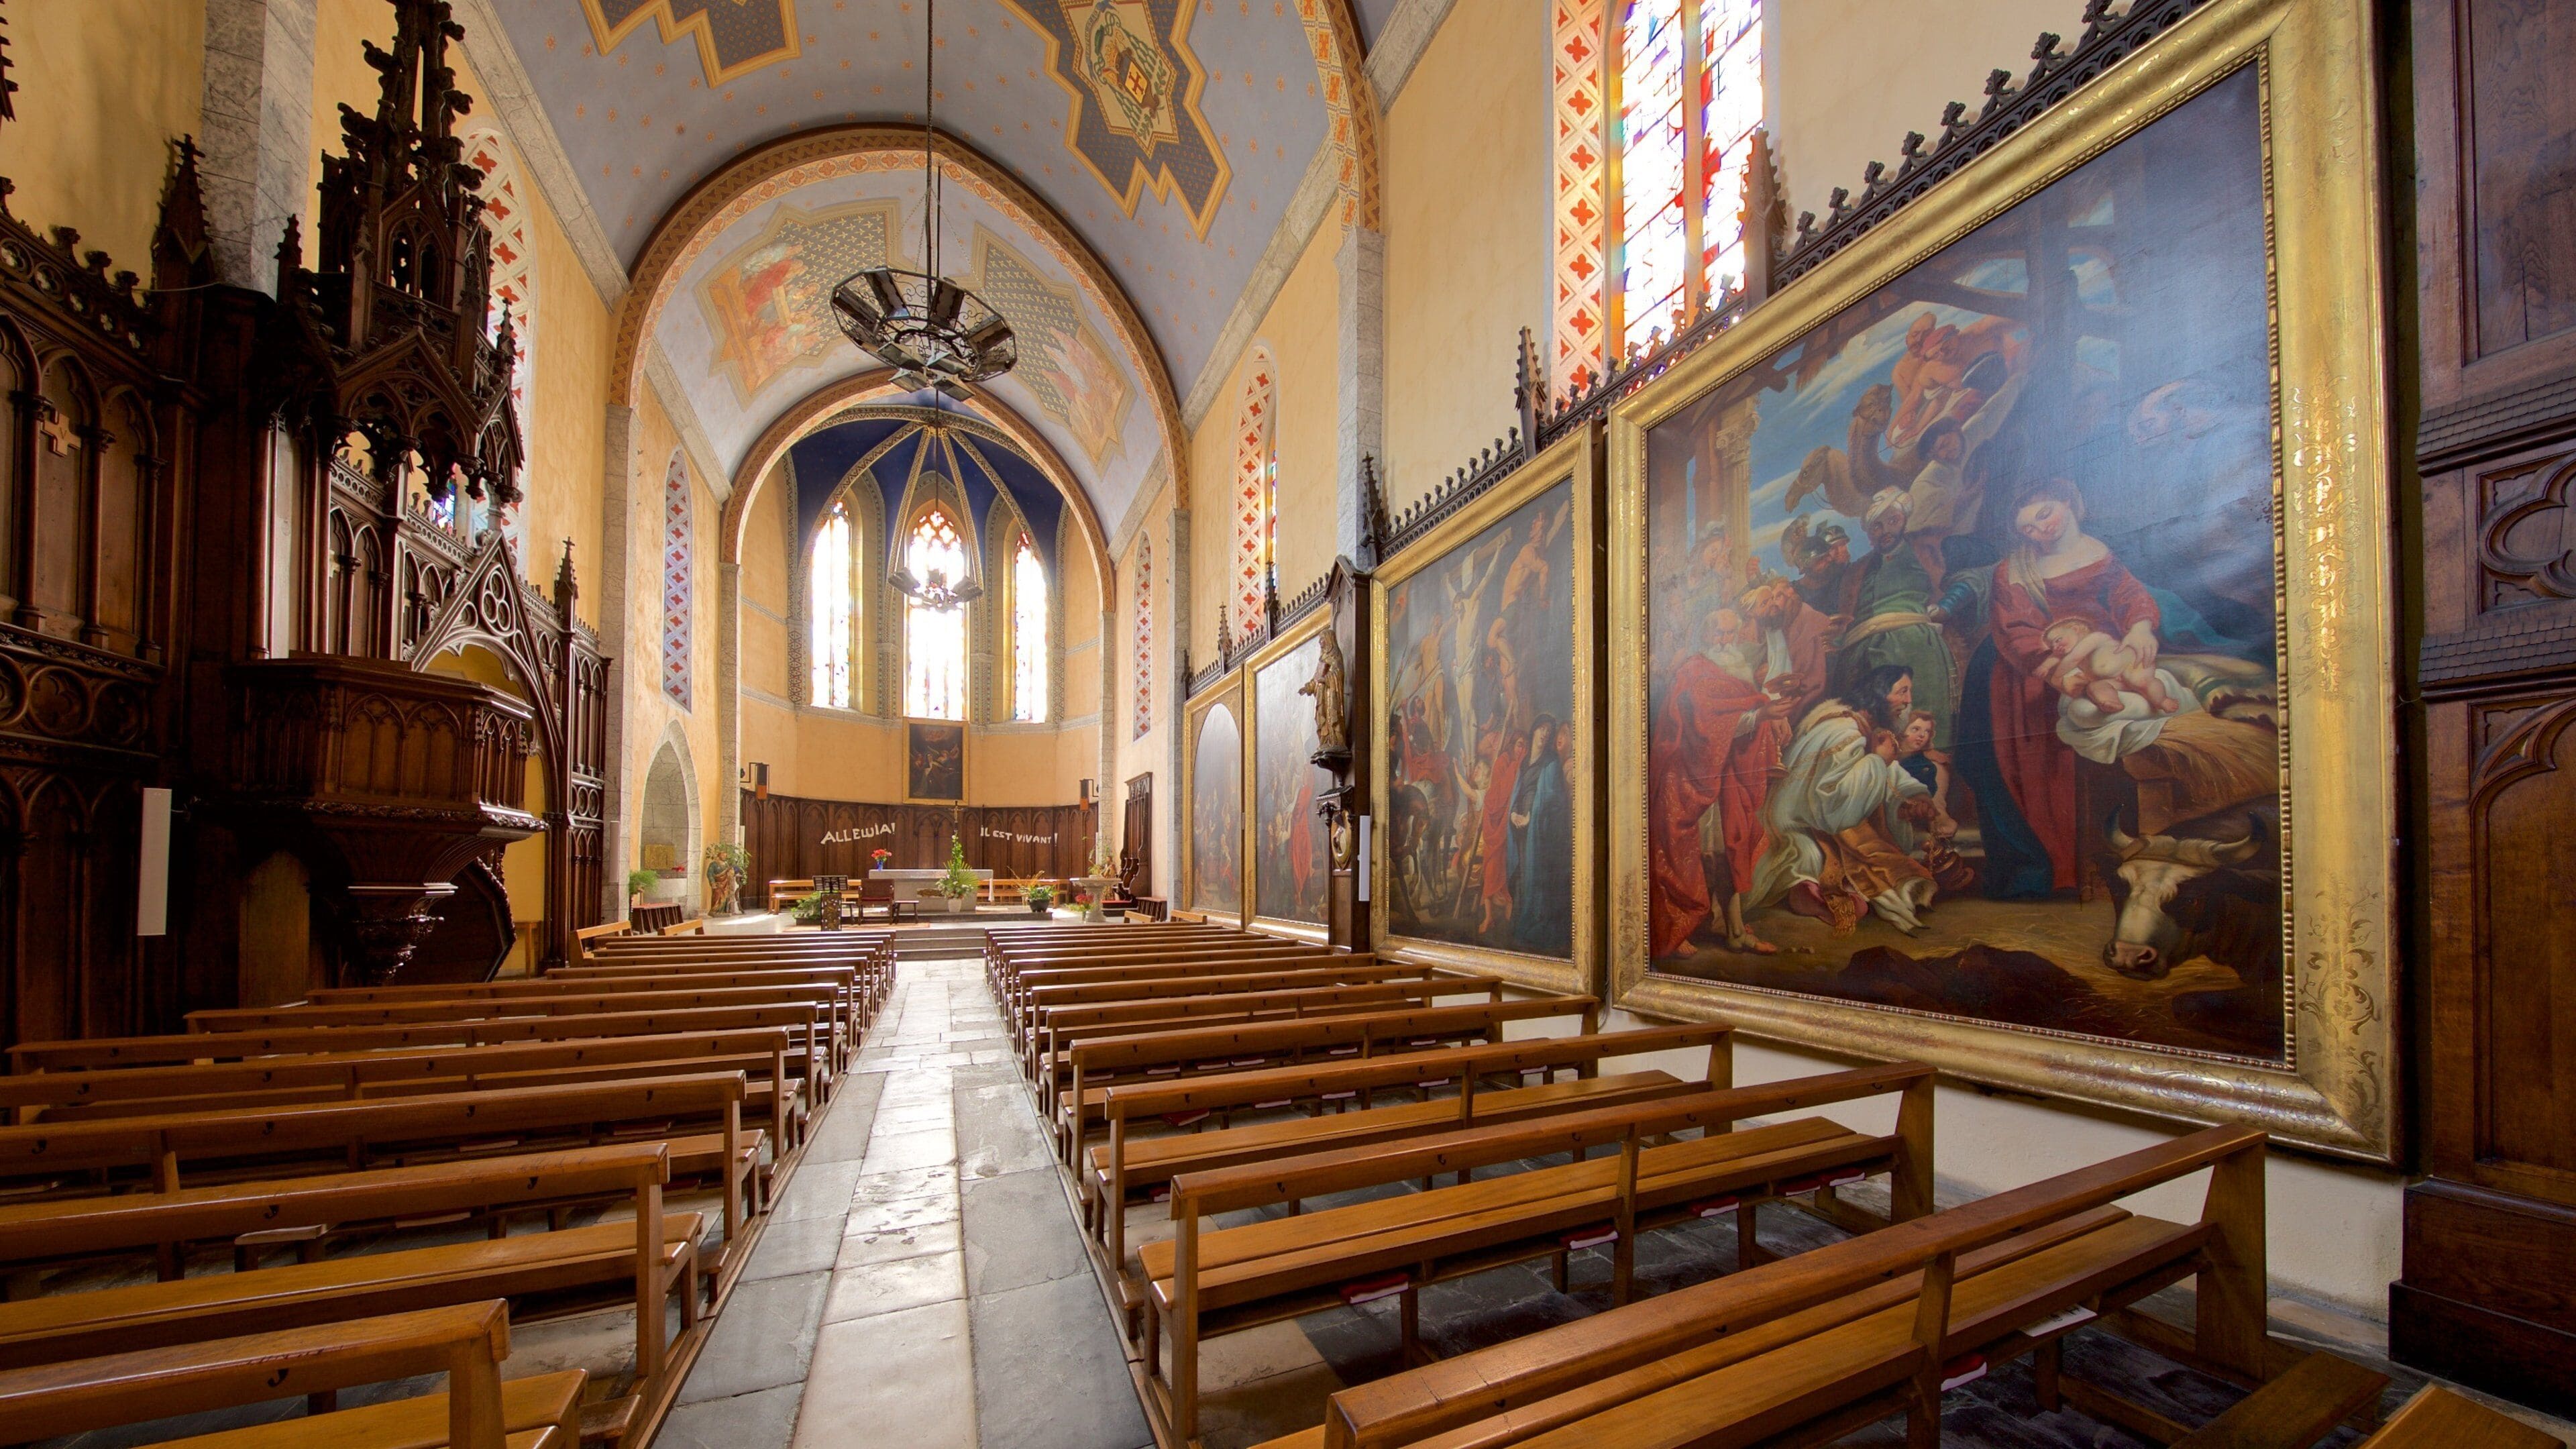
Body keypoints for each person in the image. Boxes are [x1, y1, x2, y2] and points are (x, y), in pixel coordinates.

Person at [1982, 477, 2163, 894]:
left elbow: (2129, 594)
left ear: (2068, 502)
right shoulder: (2013, 571)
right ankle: (2060, 868)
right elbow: (2017, 632)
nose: (2040, 529)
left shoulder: (2100, 554)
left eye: (2044, 514)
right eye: (2028, 527)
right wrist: (2069, 678)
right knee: (2046, 768)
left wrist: (2139, 629)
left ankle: (2117, 863)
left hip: (2100, 655)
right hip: (2036, 674)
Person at [1747, 665, 1939, 934]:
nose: (1908, 701)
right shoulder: (1845, 732)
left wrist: (1916, 796)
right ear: (1879, 693)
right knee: (1814, 861)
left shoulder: (1859, 725)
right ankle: (1809, 892)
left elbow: (1890, 773)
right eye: (1902, 692)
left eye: (1909, 692)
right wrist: (1877, 761)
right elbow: (1832, 807)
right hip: (1799, 824)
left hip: (1812, 816)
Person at [1649, 608, 1792, 956]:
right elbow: (1704, 723)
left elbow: (1742, 716)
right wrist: (1759, 714)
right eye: (1718, 633)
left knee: (1731, 850)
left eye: (1731, 633)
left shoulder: (1737, 671)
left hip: (1723, 775)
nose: (1725, 640)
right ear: (1706, 635)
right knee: (1695, 855)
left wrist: (1766, 719)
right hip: (1688, 776)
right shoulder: (1694, 670)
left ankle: (1736, 930)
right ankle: (1678, 928)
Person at [1831, 489, 1957, 746]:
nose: (1885, 530)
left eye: (1892, 521)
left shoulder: (1924, 551)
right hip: (1862, 649)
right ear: (1869, 533)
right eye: (1877, 526)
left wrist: (1947, 604)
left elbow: (1954, 580)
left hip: (1912, 645)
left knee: (1920, 721)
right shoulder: (1860, 570)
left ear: (1904, 522)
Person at [1504, 716, 1572, 953]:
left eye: (1549, 731)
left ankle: (1534, 925)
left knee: (1534, 873)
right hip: (1520, 826)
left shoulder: (1551, 762)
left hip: (1540, 829)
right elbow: (1518, 793)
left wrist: (1533, 816)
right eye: (1541, 728)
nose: (1544, 734)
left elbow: (1553, 797)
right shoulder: (1524, 763)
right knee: (1522, 873)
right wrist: (1514, 814)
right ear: (1534, 730)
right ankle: (1521, 924)